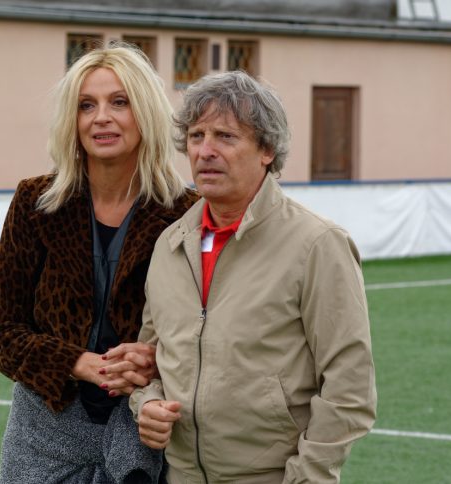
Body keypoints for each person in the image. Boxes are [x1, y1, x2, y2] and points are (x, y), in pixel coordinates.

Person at [121, 71, 377, 483]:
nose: (205, 151)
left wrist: (306, 477)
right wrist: (147, 404)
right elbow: (150, 360)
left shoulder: (317, 244)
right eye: (196, 136)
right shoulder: (170, 244)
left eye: (225, 136)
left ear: (267, 150)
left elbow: (350, 388)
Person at [0, 43, 198, 484]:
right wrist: (78, 362)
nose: (101, 117)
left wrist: (156, 359)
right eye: (86, 105)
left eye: (119, 102)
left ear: (146, 113)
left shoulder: (187, 214)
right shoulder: (35, 203)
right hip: (43, 434)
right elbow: (1, 331)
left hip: (143, 426)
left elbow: (211, 333)